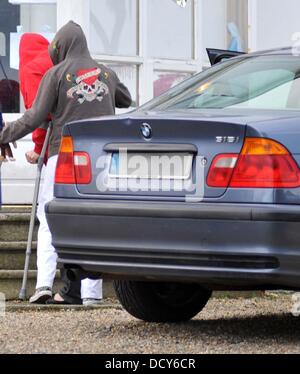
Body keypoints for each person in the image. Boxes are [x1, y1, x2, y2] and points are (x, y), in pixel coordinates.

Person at [0, 21, 132, 304]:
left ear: (60, 47)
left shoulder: (55, 73)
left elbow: (33, 117)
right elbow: (126, 98)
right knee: (96, 220)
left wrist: (4, 135)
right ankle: (91, 294)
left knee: (49, 217)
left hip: (65, 154)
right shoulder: (106, 72)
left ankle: (44, 285)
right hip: (101, 158)